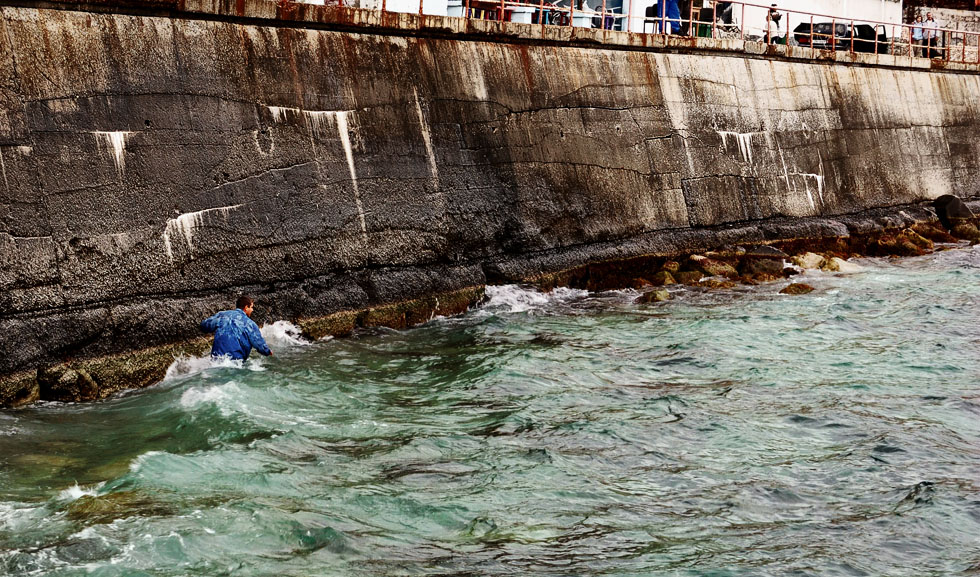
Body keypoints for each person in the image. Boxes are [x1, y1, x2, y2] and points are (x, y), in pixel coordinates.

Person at [200, 296, 273, 360]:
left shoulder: (222, 315)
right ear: (246, 307)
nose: (252, 310)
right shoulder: (249, 324)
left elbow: (204, 325)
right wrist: (268, 352)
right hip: (235, 361)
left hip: (217, 358)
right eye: (251, 307)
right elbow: (258, 343)